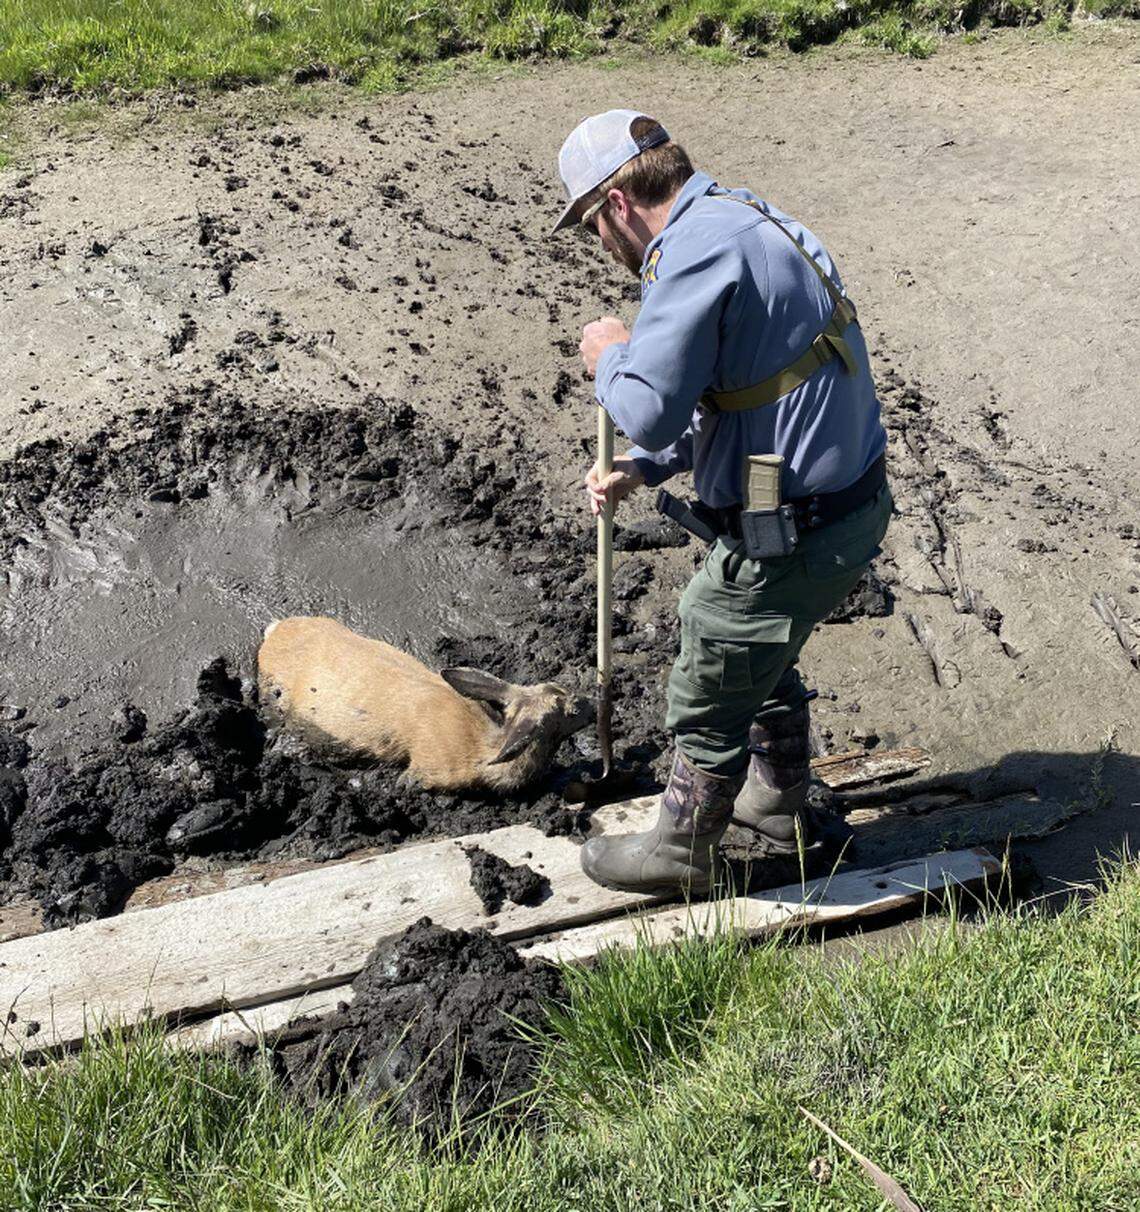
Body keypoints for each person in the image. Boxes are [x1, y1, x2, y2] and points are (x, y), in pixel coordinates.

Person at [551, 109, 891, 895]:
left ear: (617, 205)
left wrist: (610, 357)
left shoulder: (695, 253)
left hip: (802, 526)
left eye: (593, 227)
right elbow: (739, 386)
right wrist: (647, 468)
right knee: (761, 648)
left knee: (715, 656)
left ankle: (680, 851)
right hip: (847, 506)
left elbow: (648, 407)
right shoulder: (743, 217)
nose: (601, 244)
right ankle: (774, 801)